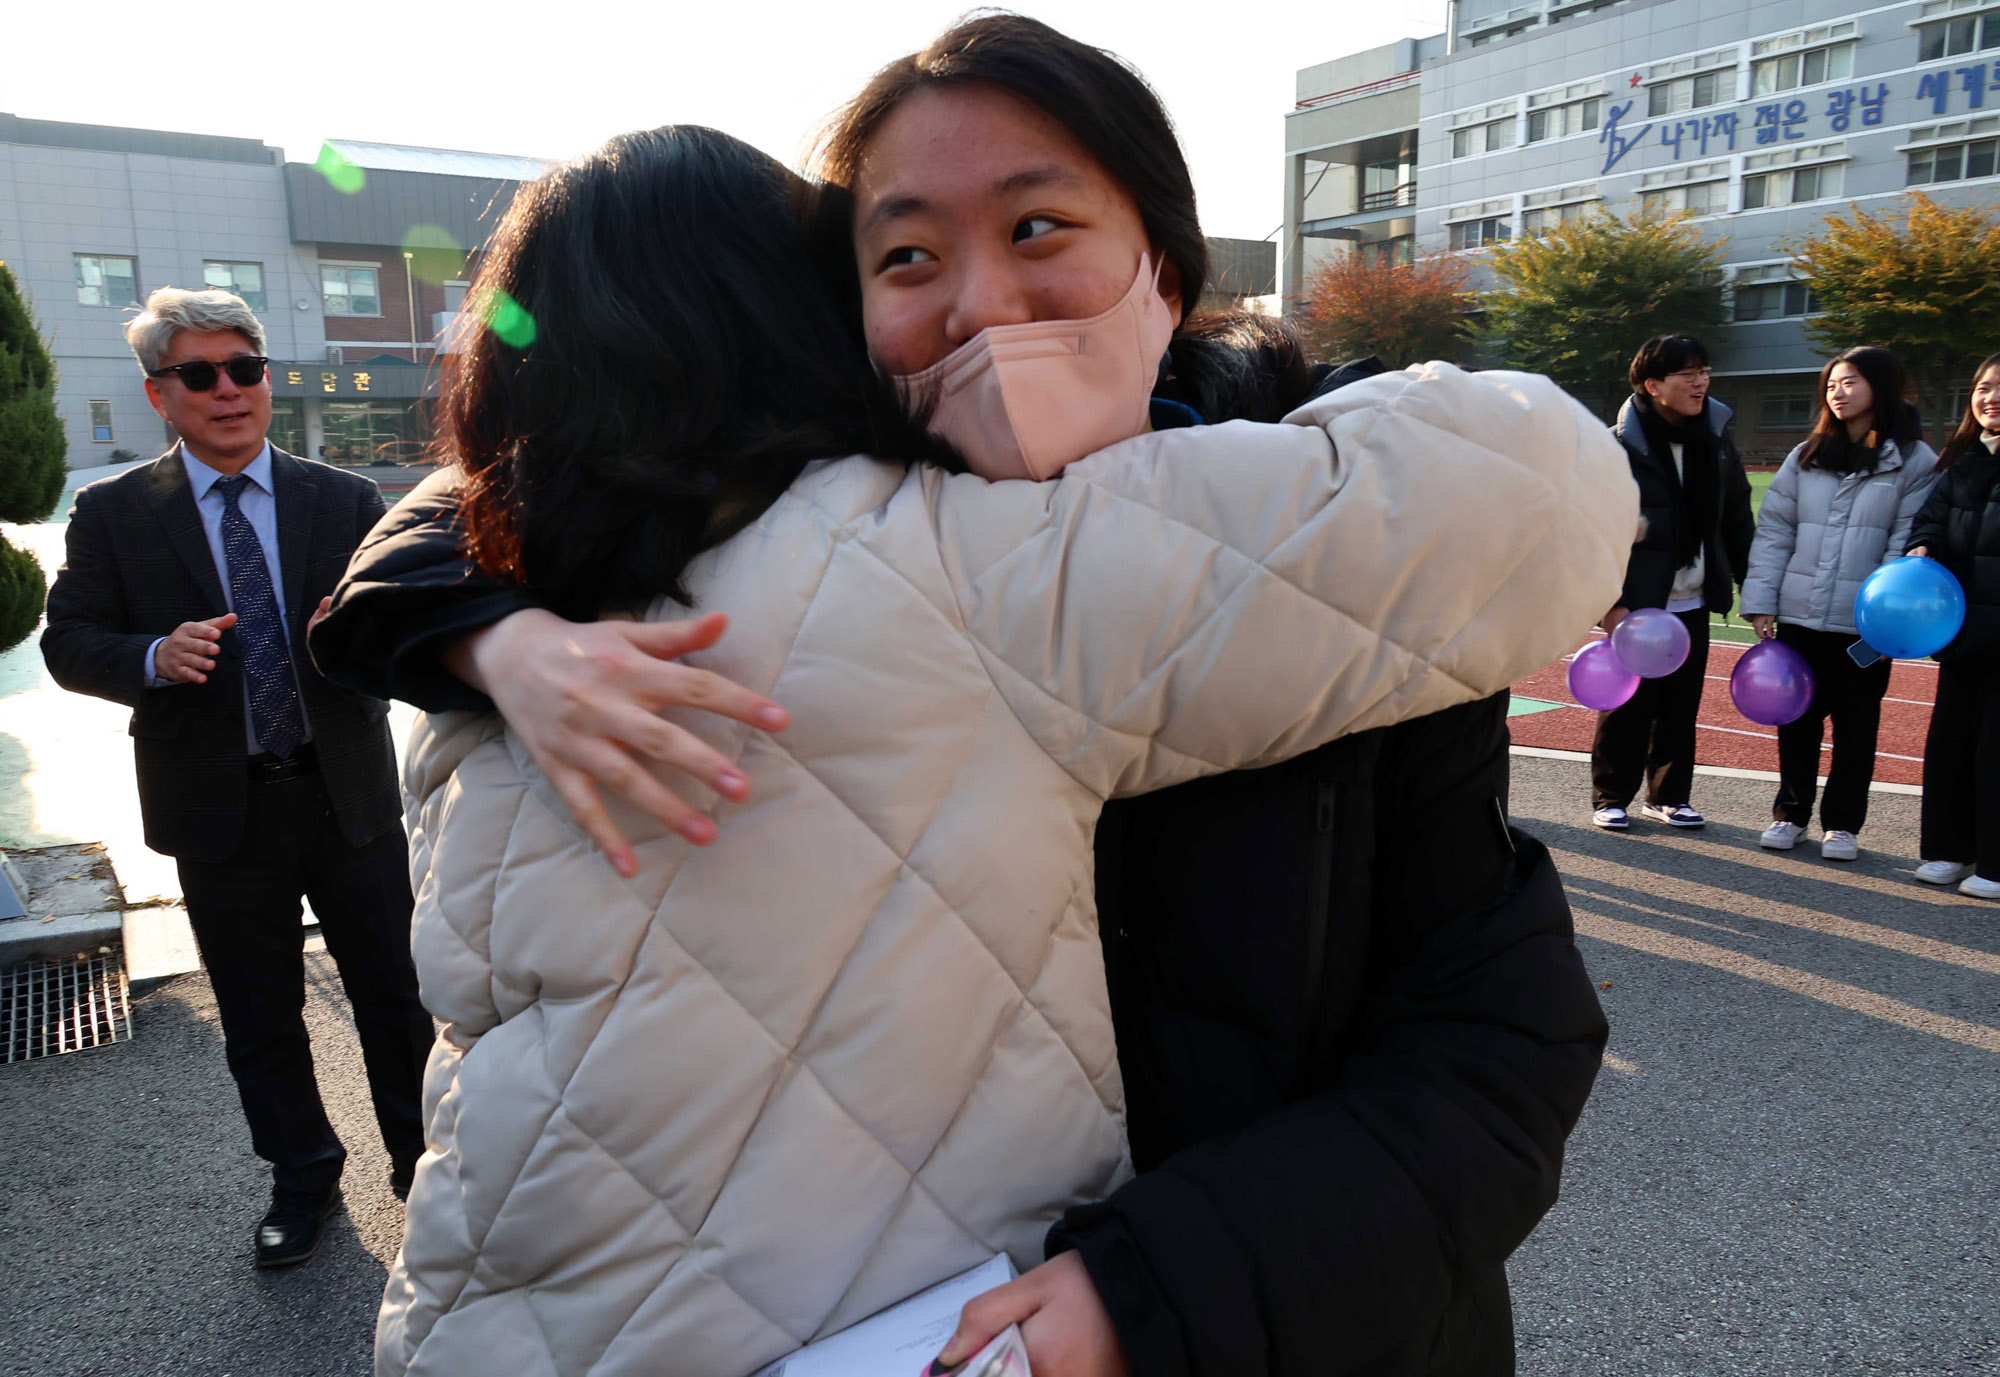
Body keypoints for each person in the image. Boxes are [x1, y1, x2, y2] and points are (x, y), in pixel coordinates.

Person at [320, 18, 1624, 1375]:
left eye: (1041, 227)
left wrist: (1161, 1285)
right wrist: (483, 629)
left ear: (1163, 263)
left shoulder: (1368, 582)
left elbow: (1494, 1047)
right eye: (906, 258)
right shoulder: (881, 571)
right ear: (831, 321)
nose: (985, 304)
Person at [40, 288, 434, 1268]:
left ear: (265, 378)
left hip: (346, 796)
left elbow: (404, 629)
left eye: (244, 369)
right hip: (220, 813)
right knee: (260, 1018)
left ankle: (424, 1170)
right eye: (199, 375)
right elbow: (68, 644)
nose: (228, 392)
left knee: (396, 997)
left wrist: (354, 637)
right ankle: (302, 1181)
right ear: (158, 395)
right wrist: (148, 655)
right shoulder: (112, 512)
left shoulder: (341, 499)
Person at [1741, 345, 1941, 861]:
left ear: (1881, 386)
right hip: (1801, 615)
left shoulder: (1915, 461)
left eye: (1850, 381)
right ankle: (1789, 814)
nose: (1838, 391)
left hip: (1865, 626)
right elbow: (1775, 533)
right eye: (1831, 383)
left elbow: (1906, 542)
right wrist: (1762, 601)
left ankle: (1843, 825)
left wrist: (1886, 618)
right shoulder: (1806, 455)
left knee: (1857, 727)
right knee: (1797, 721)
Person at [1592, 335, 1756, 832]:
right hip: (1638, 601)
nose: (1700, 381)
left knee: (1681, 706)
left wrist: (1757, 589)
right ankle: (1610, 796)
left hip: (1693, 595)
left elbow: (1736, 520)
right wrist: (1608, 604)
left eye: (1704, 370)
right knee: (1627, 703)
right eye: (1687, 373)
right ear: (1653, 385)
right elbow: (1594, 530)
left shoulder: (1716, 440)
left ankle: (1668, 796)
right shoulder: (1616, 446)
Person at [1908, 351, 2000, 899]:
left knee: (1996, 753)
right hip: (1962, 635)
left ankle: (1995, 861)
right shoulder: (1963, 463)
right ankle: (1950, 850)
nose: (1991, 398)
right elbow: (1930, 522)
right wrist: (1923, 546)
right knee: (1951, 746)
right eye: (1984, 388)